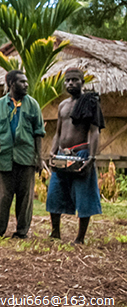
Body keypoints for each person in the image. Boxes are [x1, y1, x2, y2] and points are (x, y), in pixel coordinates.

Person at [0, 70, 45, 239]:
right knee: (3, 197)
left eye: (26, 82)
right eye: (22, 82)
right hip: (4, 157)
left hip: (26, 157)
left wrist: (39, 158)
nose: (26, 84)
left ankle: (22, 232)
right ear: (11, 84)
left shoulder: (33, 105)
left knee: (25, 198)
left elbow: (38, 133)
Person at [46, 67, 104, 244]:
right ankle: (55, 231)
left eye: (75, 80)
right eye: (67, 80)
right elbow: (58, 132)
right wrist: (52, 150)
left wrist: (92, 157)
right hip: (62, 155)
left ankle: (80, 237)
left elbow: (94, 131)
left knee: (83, 194)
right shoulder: (62, 105)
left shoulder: (90, 102)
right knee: (55, 192)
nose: (70, 83)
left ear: (82, 82)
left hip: (81, 153)